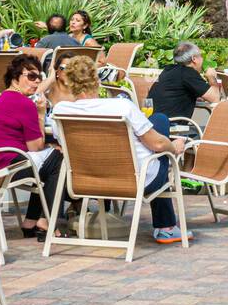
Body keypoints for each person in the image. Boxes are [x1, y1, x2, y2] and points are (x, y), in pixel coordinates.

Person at [53, 57, 191, 244]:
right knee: (160, 122)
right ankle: (165, 226)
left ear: (68, 81)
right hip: (134, 181)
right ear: (98, 80)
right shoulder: (121, 107)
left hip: (87, 182)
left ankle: (165, 226)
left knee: (154, 130)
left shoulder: (60, 112)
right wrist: (173, 147)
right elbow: (158, 145)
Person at [0, 55, 60, 240]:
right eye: (31, 76)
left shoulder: (6, 97)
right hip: (3, 167)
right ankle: (45, 221)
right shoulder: (24, 104)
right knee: (57, 160)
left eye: (39, 77)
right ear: (15, 77)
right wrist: (40, 113)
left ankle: (31, 221)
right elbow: (36, 147)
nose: (37, 81)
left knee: (50, 160)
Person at [149, 41, 220, 125]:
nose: (202, 59)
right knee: (207, 133)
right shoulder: (188, 73)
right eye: (200, 56)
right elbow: (215, 98)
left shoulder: (169, 70)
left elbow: (174, 93)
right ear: (194, 59)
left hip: (153, 124)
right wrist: (212, 77)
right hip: (171, 128)